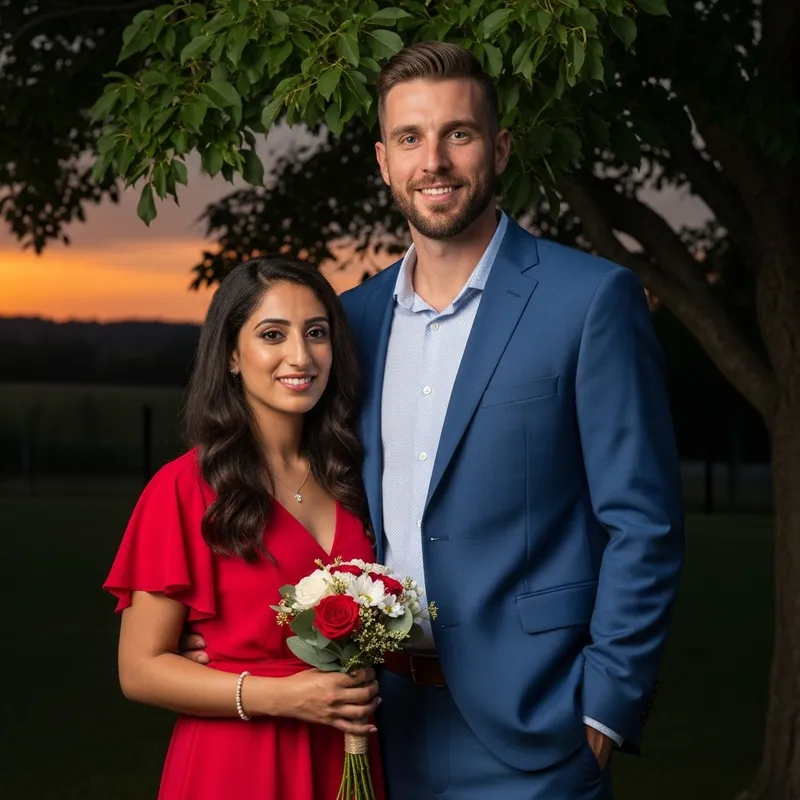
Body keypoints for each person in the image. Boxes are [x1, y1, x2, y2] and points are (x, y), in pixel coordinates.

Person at [182, 42, 685, 799]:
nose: (435, 161)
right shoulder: (351, 322)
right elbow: (297, 487)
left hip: (539, 723)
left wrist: (606, 707)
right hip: (379, 720)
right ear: (384, 162)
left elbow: (644, 522)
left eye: (459, 134)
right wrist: (234, 637)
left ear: (500, 149)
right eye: (411, 138)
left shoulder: (588, 301)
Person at [103, 256, 384, 800]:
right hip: (237, 761)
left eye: (316, 333)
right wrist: (280, 696)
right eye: (272, 334)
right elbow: (138, 670)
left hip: (346, 756)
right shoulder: (183, 489)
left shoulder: (356, 477)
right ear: (231, 355)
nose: (300, 355)